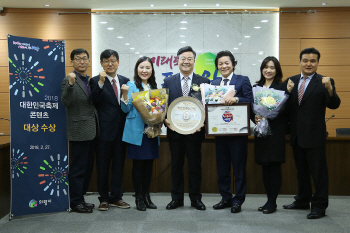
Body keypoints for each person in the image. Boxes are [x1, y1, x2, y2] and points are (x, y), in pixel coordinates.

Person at [283, 47, 341, 219]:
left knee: (319, 173)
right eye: (305, 60)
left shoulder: (324, 81)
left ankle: (319, 206)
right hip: (296, 136)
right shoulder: (291, 81)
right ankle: (302, 200)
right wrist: (287, 131)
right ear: (300, 62)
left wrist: (330, 89)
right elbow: (287, 109)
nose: (308, 64)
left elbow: (334, 104)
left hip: (315, 137)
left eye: (312, 61)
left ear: (317, 63)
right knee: (301, 172)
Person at [163, 46, 210, 211]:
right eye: (183, 58)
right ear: (177, 60)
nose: (186, 61)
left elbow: (208, 107)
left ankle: (196, 199)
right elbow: (164, 107)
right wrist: (165, 121)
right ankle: (176, 199)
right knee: (176, 166)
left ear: (194, 61)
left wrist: (204, 122)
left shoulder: (203, 82)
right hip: (175, 133)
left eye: (189, 58)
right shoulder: (168, 81)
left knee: (195, 167)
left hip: (195, 133)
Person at [211, 50, 253, 213]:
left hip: (238, 133)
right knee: (222, 168)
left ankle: (238, 200)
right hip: (220, 132)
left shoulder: (242, 80)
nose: (223, 66)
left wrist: (236, 99)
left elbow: (250, 100)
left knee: (239, 168)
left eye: (226, 63)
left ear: (233, 64)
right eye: (220, 64)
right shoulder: (213, 84)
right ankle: (226, 198)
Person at [90, 49, 130, 211]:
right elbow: (93, 100)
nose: (110, 64)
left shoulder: (125, 81)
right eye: (106, 61)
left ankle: (116, 197)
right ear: (101, 64)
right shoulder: (94, 81)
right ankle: (104, 198)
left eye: (113, 60)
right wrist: (100, 83)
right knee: (103, 166)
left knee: (119, 166)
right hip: (103, 133)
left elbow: (127, 106)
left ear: (118, 62)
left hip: (121, 132)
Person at [252, 56, 294, 214]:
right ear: (262, 69)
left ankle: (272, 202)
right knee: (265, 167)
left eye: (272, 67)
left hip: (276, 132)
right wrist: (254, 117)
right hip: (261, 132)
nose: (268, 70)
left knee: (274, 166)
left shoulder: (283, 87)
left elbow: (288, 110)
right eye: (265, 67)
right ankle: (268, 200)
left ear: (277, 70)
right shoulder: (256, 87)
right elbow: (252, 110)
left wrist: (288, 131)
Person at [61, 48, 98, 213]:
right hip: (78, 131)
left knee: (87, 167)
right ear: (72, 62)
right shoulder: (69, 79)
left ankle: (80, 198)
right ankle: (75, 201)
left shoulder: (88, 80)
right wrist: (70, 84)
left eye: (85, 58)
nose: (82, 61)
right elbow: (66, 102)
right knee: (77, 168)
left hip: (92, 130)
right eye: (78, 59)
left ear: (89, 61)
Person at [120, 57, 160, 211]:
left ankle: (147, 196)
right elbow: (125, 109)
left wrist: (160, 118)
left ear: (152, 70)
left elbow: (158, 109)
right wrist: (124, 95)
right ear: (137, 69)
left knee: (149, 165)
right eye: (141, 67)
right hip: (136, 131)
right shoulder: (130, 85)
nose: (144, 70)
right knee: (138, 166)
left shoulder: (154, 86)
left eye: (148, 67)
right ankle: (139, 197)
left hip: (151, 131)